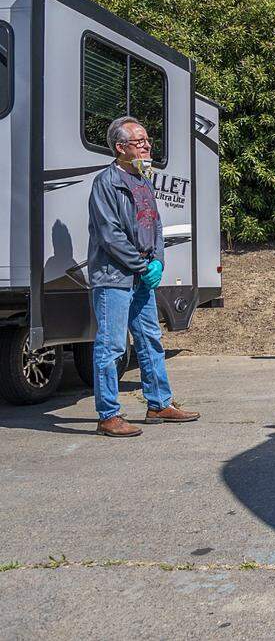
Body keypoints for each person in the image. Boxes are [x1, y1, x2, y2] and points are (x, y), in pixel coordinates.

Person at [88, 116, 200, 437]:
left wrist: (159, 263)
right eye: (140, 142)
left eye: (147, 140)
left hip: (142, 278)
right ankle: (108, 415)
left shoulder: (143, 180)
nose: (147, 145)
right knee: (111, 347)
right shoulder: (106, 183)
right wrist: (141, 265)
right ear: (121, 147)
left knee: (150, 340)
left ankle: (158, 404)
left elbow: (155, 226)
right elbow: (109, 235)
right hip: (114, 278)